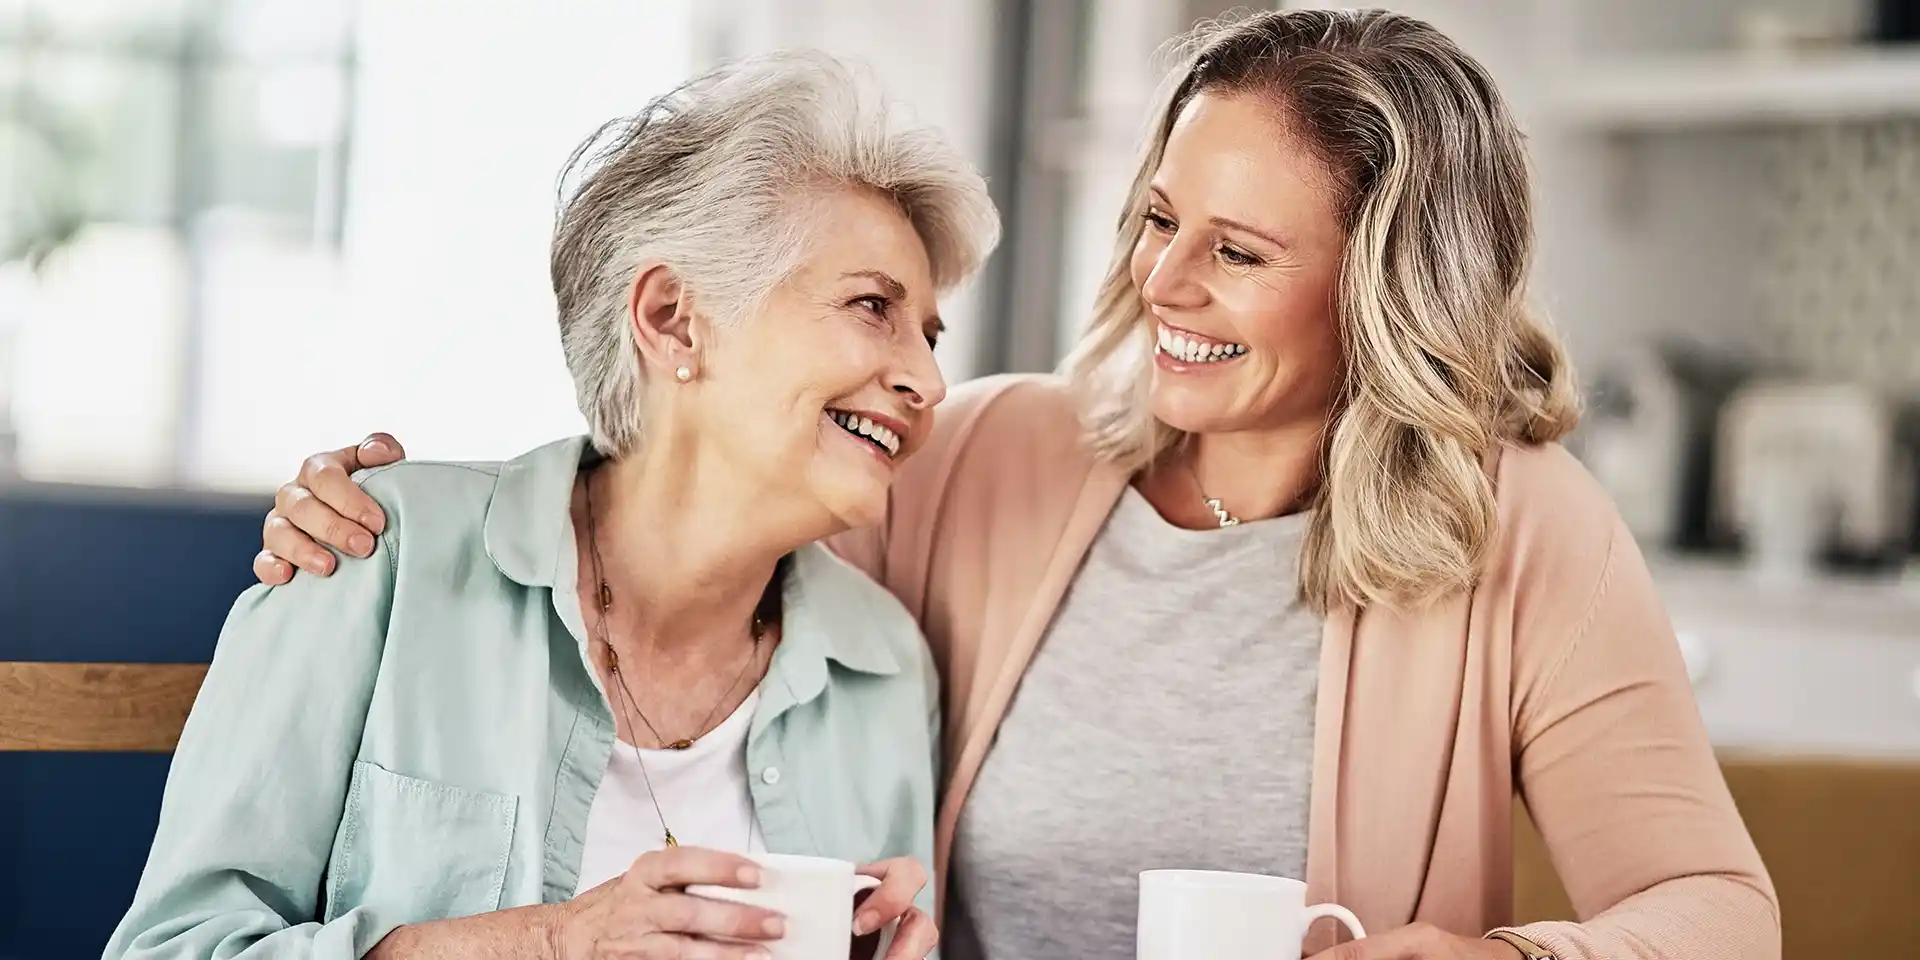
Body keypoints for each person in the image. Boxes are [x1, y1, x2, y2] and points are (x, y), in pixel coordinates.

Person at [247, 10, 1780, 960]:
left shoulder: (1519, 532)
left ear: (1385, 294)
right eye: (1159, 214)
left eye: (1237, 253)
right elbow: (701, 476)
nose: (1159, 276)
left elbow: (1719, 913)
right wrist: (408, 512)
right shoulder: (991, 453)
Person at [108, 49, 1000, 960]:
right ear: (671, 319)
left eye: (929, 335)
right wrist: (550, 941)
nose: (929, 381)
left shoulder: (885, 667)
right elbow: (172, 949)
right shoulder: (375, 552)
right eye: (872, 308)